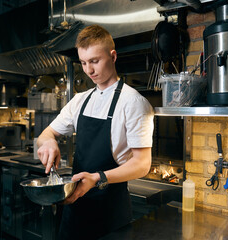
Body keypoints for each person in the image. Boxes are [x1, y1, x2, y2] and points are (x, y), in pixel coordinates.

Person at [37, 24, 154, 239]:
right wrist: (49, 142)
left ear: (113, 56)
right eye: (83, 62)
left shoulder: (134, 102)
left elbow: (142, 164)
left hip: (110, 213)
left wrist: (98, 177)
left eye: (94, 61)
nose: (89, 70)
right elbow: (46, 134)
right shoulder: (80, 100)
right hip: (75, 208)